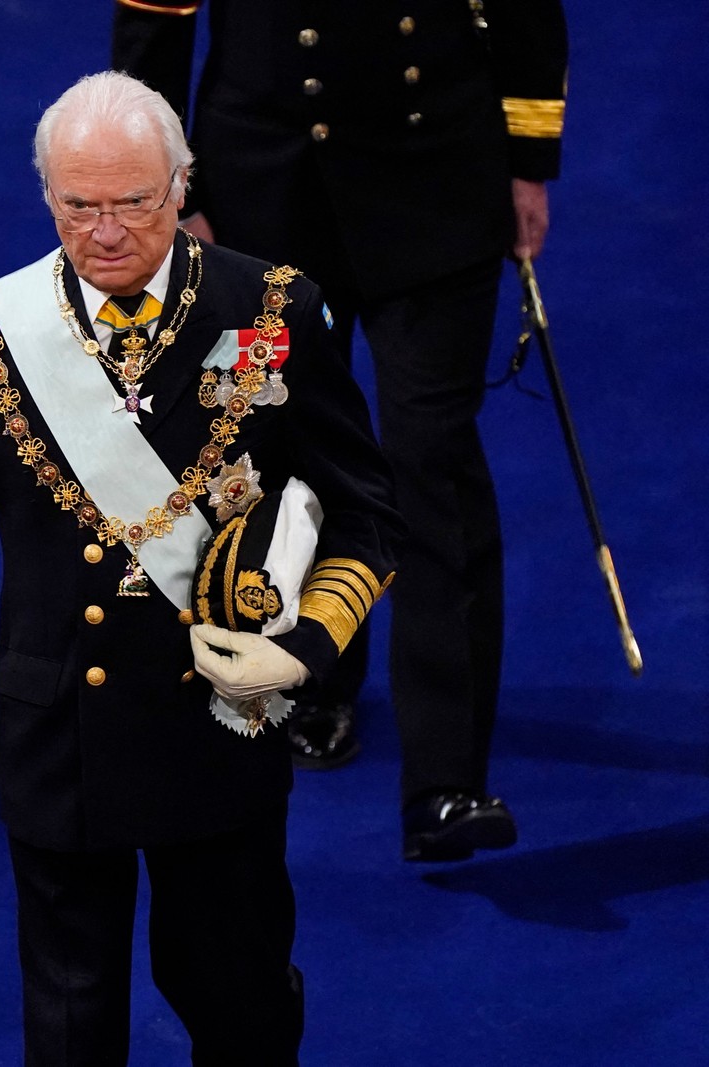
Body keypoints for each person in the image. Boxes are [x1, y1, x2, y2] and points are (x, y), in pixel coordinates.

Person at [0, 71, 402, 1065]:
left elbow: (368, 514)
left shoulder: (270, 306)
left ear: (181, 186)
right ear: (45, 194)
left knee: (235, 998)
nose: (106, 229)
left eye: (134, 201)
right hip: (58, 729)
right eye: (79, 204)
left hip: (218, 722)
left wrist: (298, 652)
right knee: (70, 1018)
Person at [111, 0, 568, 858]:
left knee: (431, 462)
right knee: (284, 457)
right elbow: (153, 20)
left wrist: (528, 161)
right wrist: (173, 194)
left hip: (437, 168)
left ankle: (447, 779)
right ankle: (310, 672)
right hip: (268, 187)